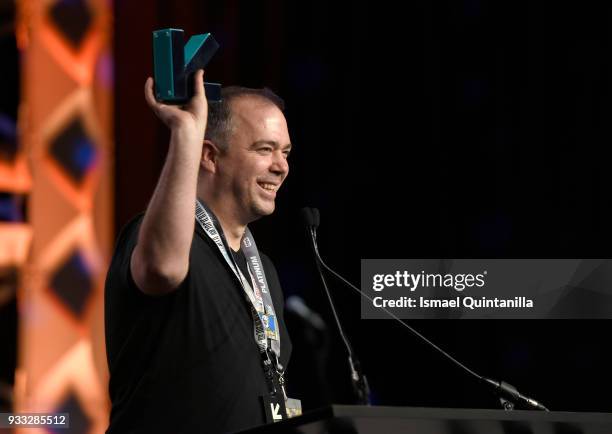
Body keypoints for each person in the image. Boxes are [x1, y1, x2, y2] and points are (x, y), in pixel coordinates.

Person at [104, 70, 294, 433]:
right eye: (265, 149)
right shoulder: (163, 238)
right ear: (209, 156)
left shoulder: (264, 271)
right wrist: (186, 134)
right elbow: (162, 268)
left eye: (285, 152)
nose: (281, 166)